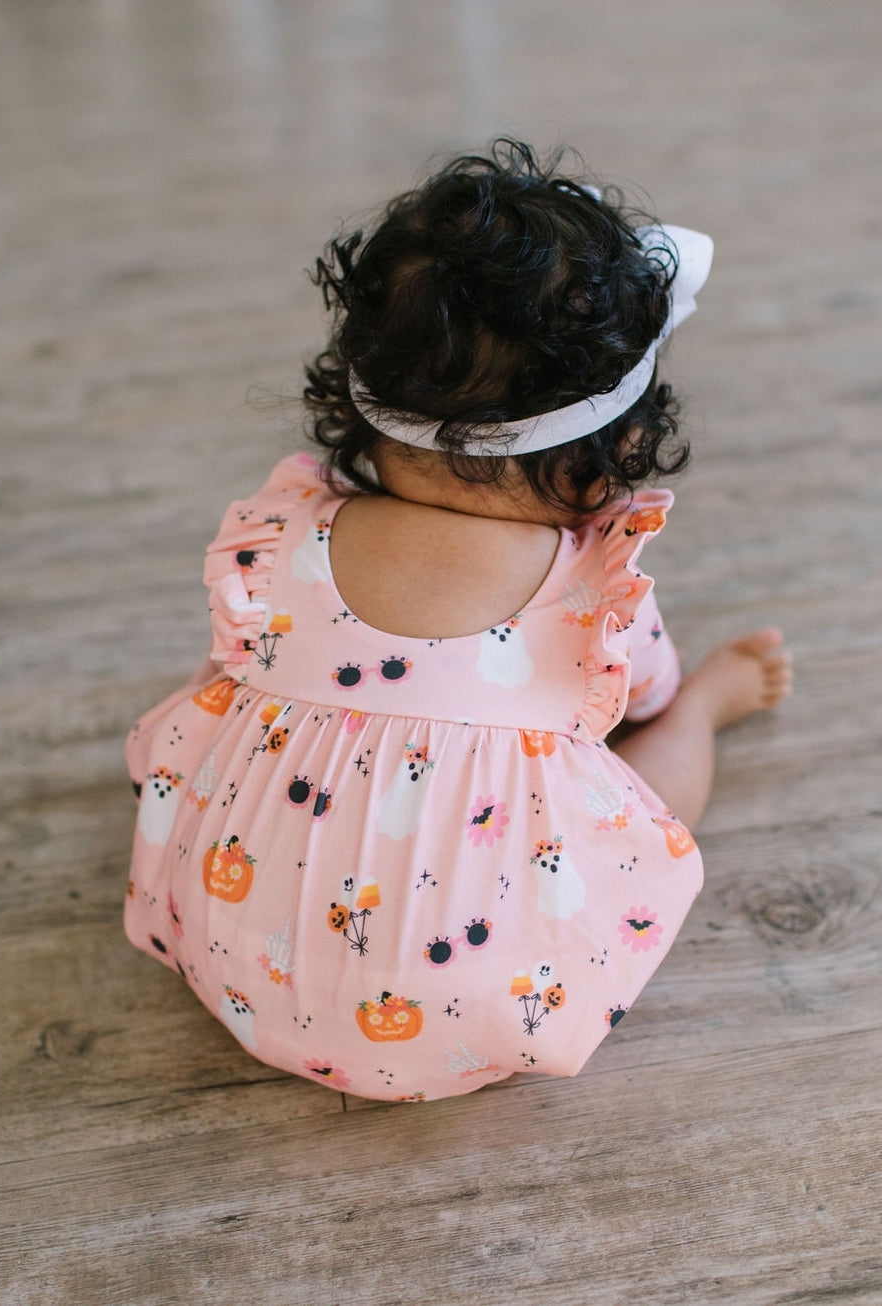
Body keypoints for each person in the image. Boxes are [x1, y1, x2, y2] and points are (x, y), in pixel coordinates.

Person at [124, 142, 792, 1103]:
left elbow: (229, 663)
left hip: (235, 960)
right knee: (642, 798)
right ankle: (714, 714)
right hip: (476, 1005)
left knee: (226, 698)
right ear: (611, 453)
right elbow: (640, 695)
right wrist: (665, 706)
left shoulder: (278, 536)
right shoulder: (593, 591)